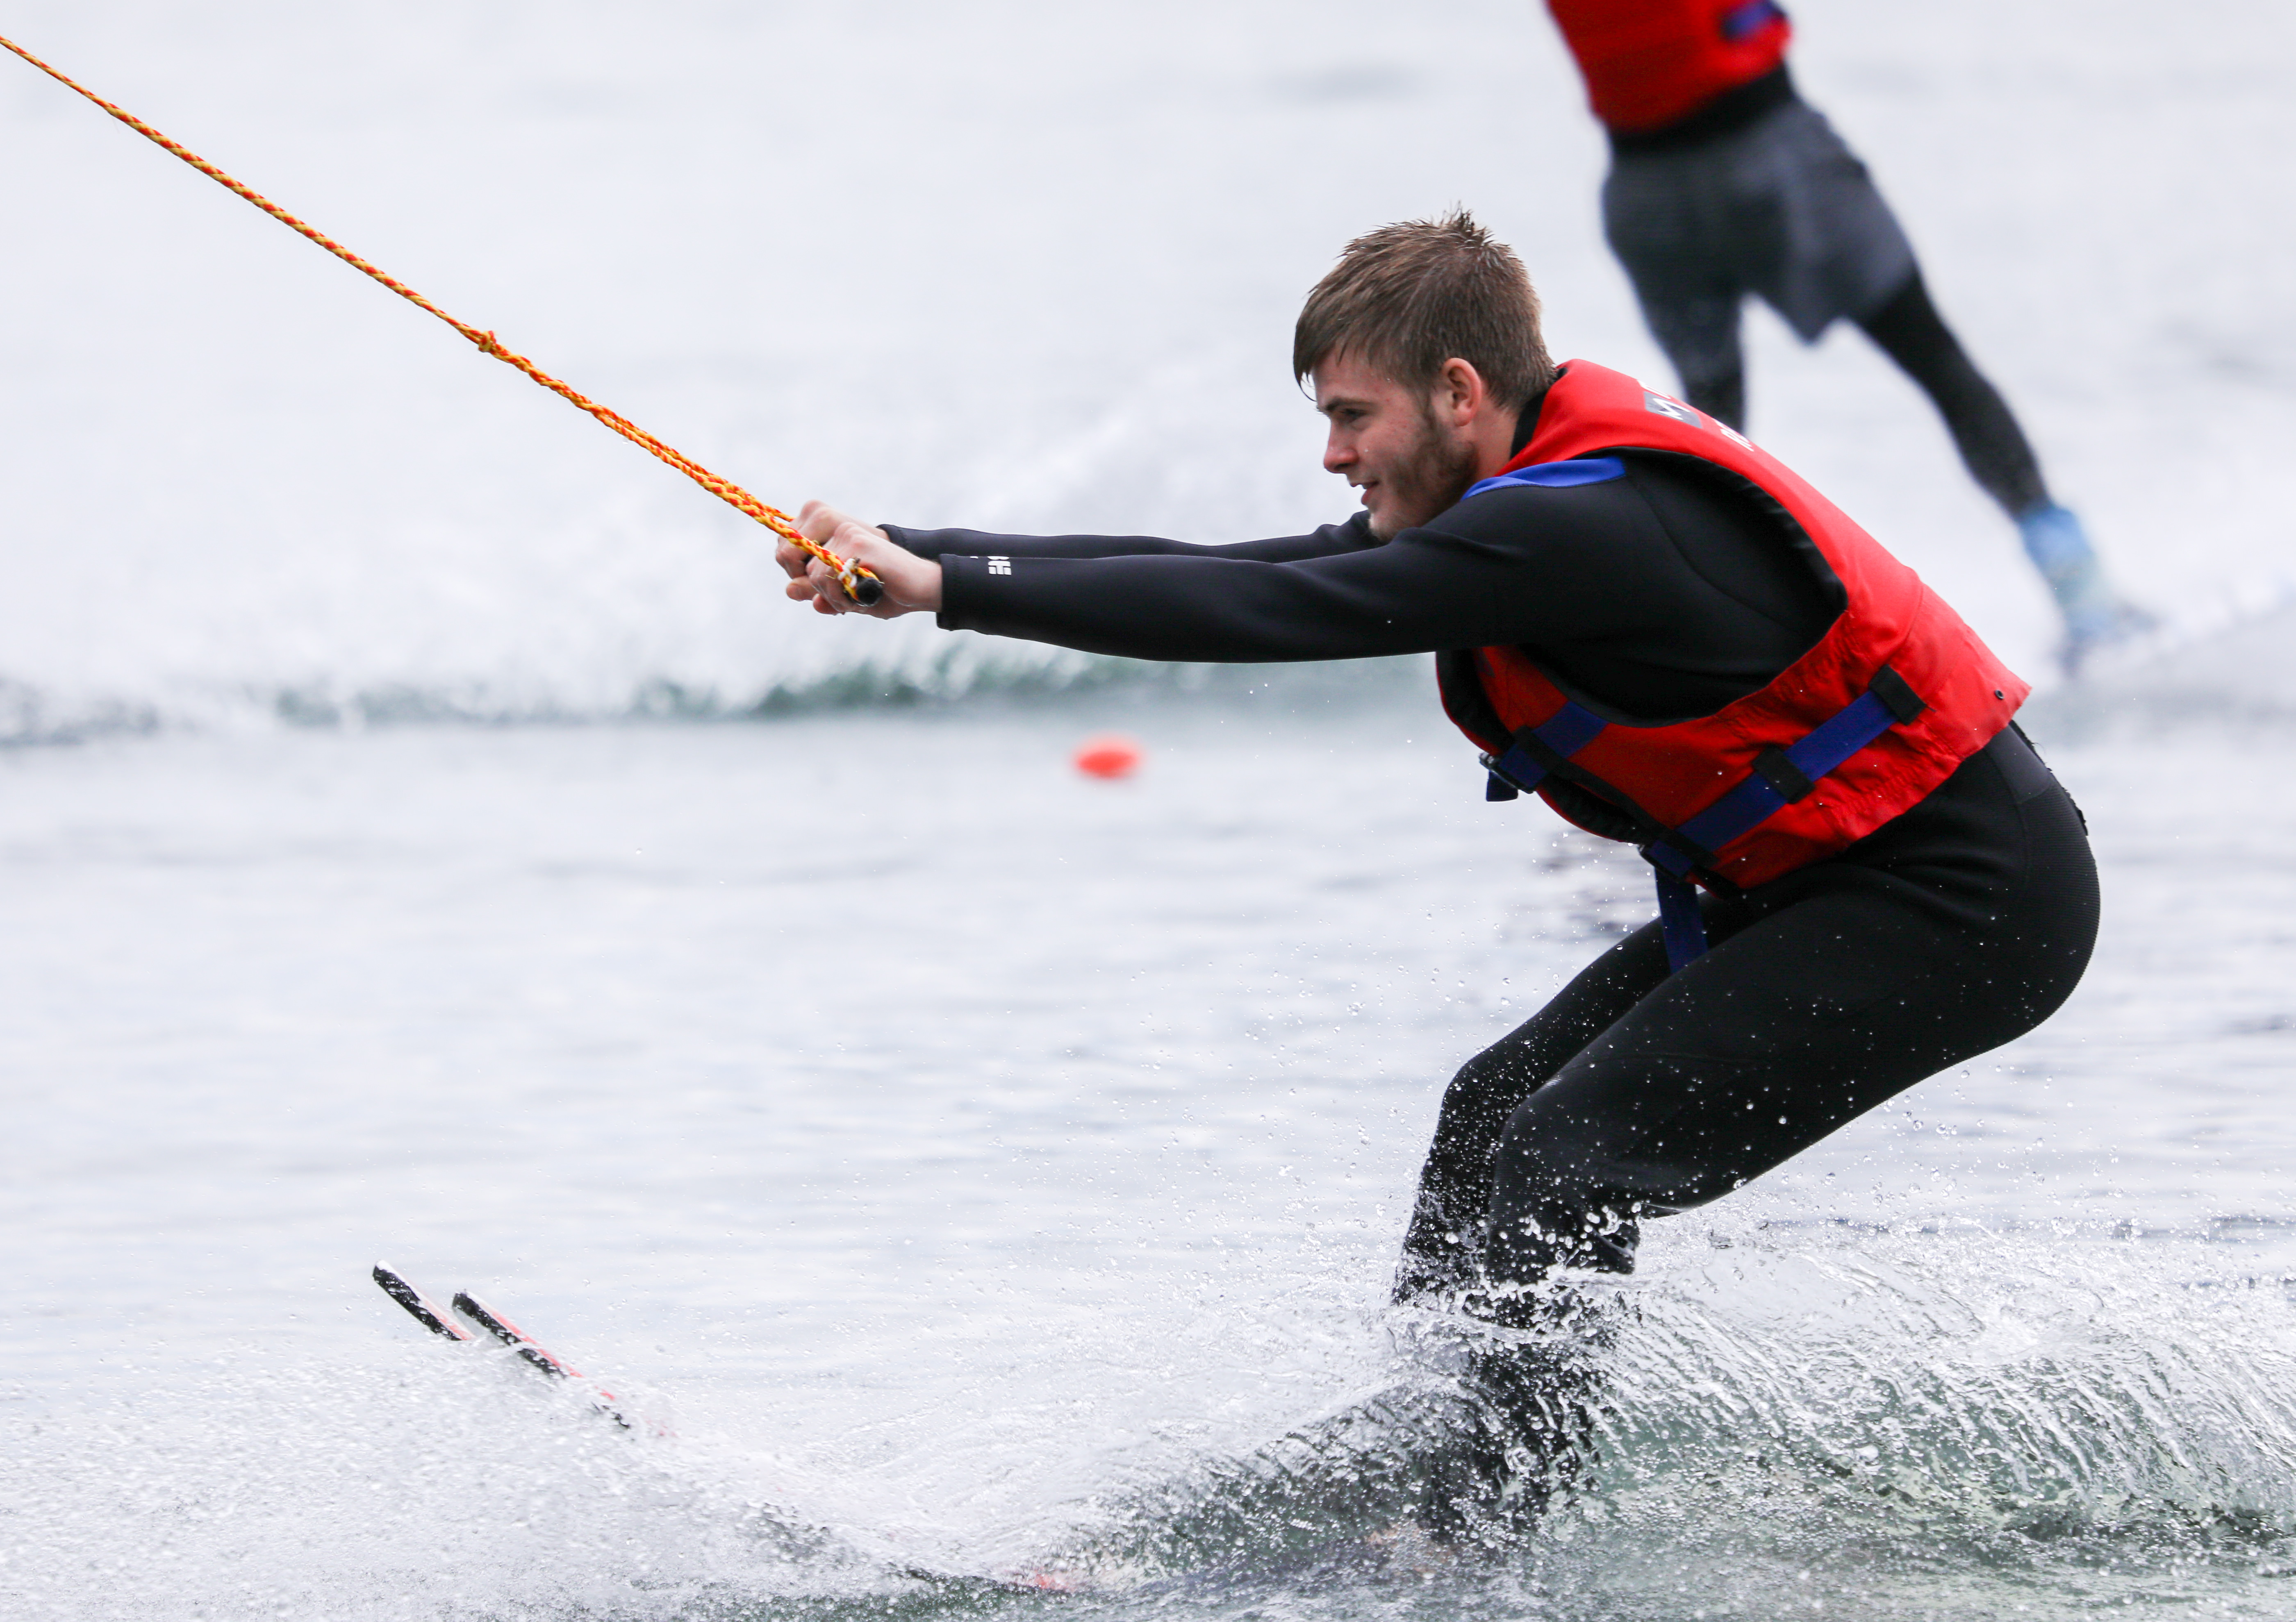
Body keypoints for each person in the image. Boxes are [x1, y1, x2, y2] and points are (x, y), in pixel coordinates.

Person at [773, 212, 2098, 1533]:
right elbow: (1256, 564)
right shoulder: (1525, 499)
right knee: (1491, 1111)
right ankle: (1426, 1464)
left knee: (1564, 1159)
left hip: (1968, 898)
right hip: (1837, 878)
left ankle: (1479, 1541)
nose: (1333, 452)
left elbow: (1272, 610)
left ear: (1458, 391)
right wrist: (921, 554)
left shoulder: (1580, 527)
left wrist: (947, 586)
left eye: (1353, 416)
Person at [1544, 0, 2143, 672]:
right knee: (1932, 356)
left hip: (1647, 196)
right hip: (1773, 158)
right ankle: (2085, 598)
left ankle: (1707, 641)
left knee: (1710, 420)